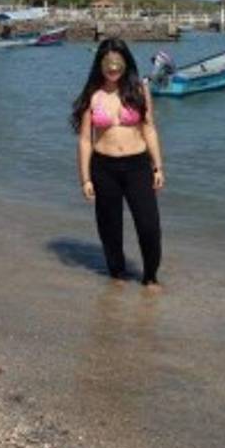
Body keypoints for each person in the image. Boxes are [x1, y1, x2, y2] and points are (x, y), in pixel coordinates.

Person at [71, 38, 164, 291]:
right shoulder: (93, 95)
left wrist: (158, 167)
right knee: (109, 226)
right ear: (100, 64)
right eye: (108, 64)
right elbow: (84, 141)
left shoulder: (138, 90)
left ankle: (150, 277)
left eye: (118, 64)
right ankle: (118, 273)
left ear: (126, 63)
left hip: (137, 166)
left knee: (149, 226)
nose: (113, 70)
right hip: (104, 169)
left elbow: (149, 129)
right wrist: (85, 178)